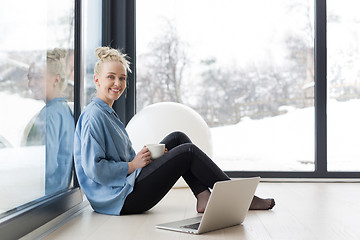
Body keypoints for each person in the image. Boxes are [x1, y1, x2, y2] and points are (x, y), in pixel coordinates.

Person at [74, 46, 275, 216]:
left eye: (122, 78)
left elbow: (120, 159)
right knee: (187, 152)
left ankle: (203, 196)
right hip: (120, 199)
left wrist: (145, 161)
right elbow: (95, 169)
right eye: (111, 77)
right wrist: (133, 165)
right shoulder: (94, 117)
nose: (118, 83)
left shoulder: (106, 112)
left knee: (178, 138)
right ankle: (241, 198)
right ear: (97, 80)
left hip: (125, 186)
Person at [27, 48, 74, 195]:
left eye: (38, 77)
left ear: (56, 80)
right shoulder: (65, 111)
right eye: (30, 77)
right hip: (59, 196)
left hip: (43, 198)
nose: (31, 83)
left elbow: (44, 166)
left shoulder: (48, 115)